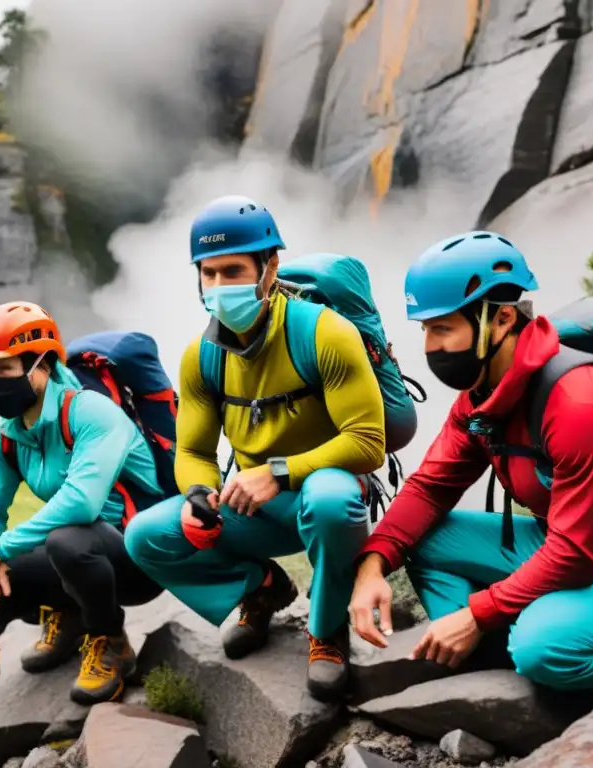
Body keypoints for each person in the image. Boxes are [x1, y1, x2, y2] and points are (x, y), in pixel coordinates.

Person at [349, 231, 593, 693]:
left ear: (500, 320)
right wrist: (372, 564)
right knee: (421, 536)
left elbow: (577, 555)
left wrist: (478, 611)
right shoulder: (483, 395)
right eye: (426, 331)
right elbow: (430, 487)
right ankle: (478, 652)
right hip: (568, 541)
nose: (431, 347)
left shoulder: (583, 402)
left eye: (443, 329)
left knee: (542, 647)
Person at [124, 195, 386, 702]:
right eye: (210, 274)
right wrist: (199, 493)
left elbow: (368, 441)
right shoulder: (202, 356)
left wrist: (279, 472)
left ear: (270, 269)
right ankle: (260, 590)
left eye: (234, 272)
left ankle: (327, 629)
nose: (220, 287)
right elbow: (193, 452)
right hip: (254, 507)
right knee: (146, 535)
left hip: (325, 496)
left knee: (330, 499)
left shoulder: (325, 334)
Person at [0, 301, 165, 705]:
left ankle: (109, 640)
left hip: (136, 555)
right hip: (77, 555)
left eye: (4, 370)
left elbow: (80, 505)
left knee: (69, 539)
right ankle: (70, 614)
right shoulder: (6, 433)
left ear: (42, 364)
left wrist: (1, 550)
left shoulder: (92, 413)